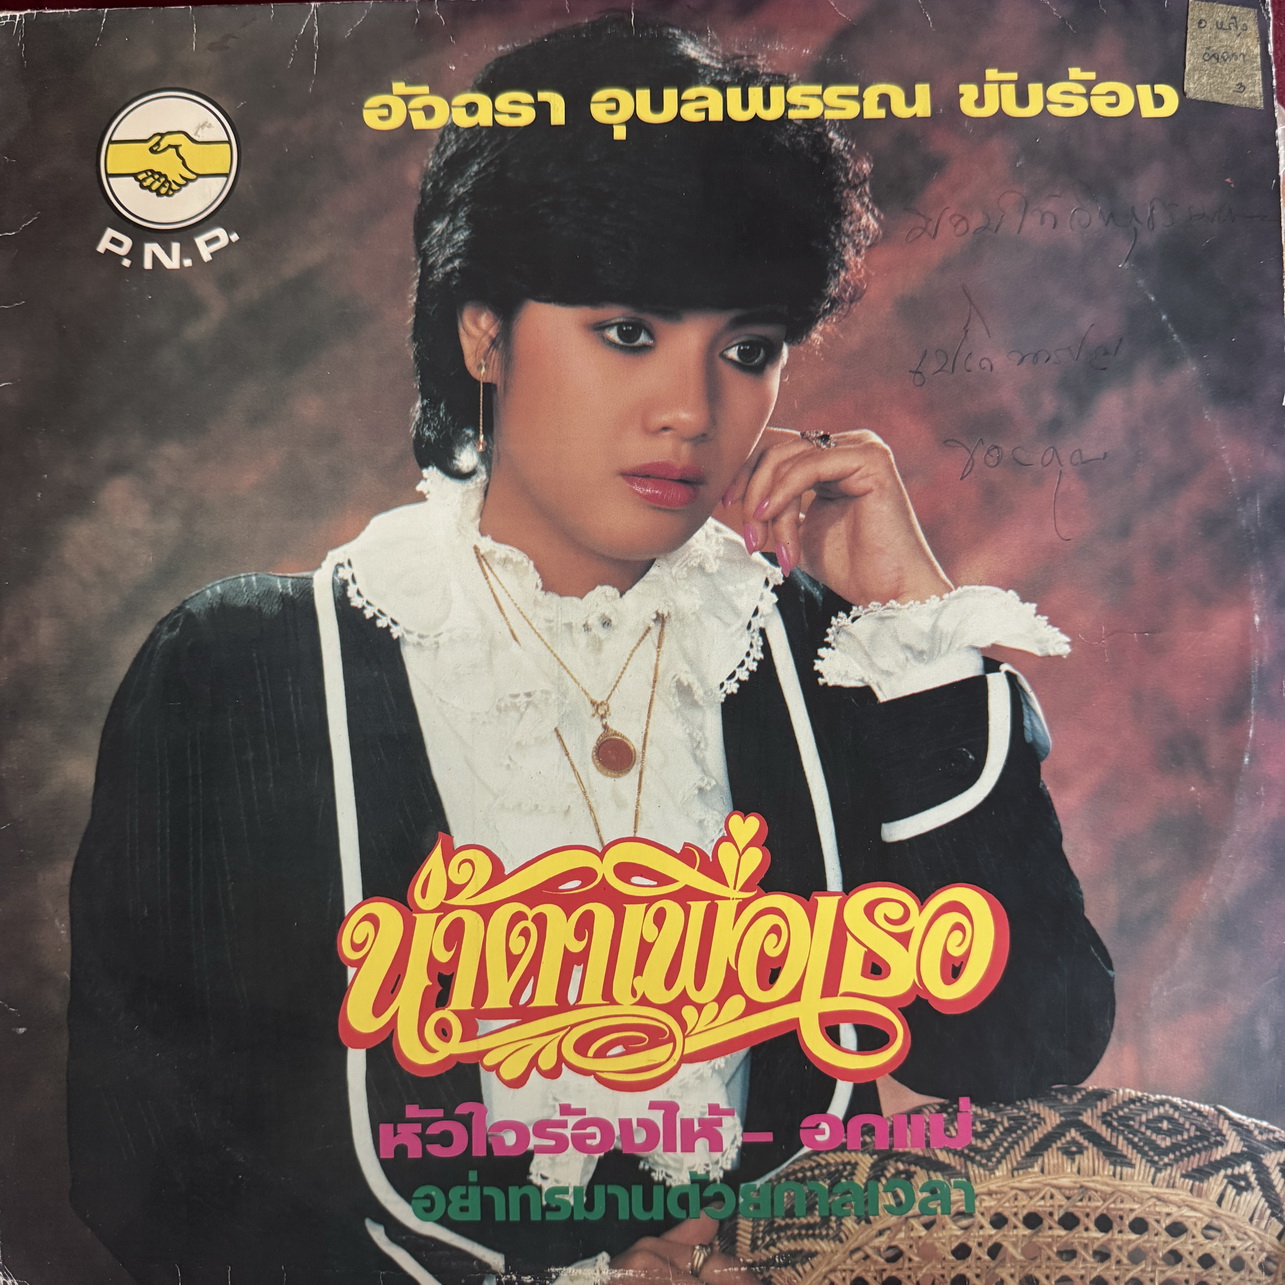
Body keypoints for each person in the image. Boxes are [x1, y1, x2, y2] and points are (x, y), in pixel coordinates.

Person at [68, 15, 1115, 1285]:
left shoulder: (834, 662)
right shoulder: (247, 671)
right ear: (484, 333)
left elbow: (1021, 1053)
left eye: (747, 349)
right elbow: (147, 1162)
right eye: (627, 331)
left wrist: (915, 629)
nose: (691, 408)